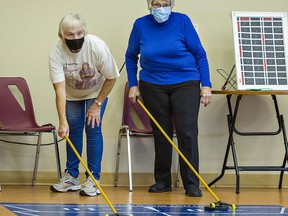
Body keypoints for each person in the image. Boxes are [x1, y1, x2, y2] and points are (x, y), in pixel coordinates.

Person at [125, 0, 212, 197]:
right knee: (161, 133)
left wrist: (206, 85)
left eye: (165, 3)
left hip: (186, 82)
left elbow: (200, 54)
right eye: (157, 3)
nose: (161, 7)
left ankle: (191, 183)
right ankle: (162, 181)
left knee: (187, 133)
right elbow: (131, 56)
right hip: (152, 84)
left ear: (171, 4)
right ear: (150, 5)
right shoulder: (140, 25)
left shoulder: (182, 21)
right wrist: (133, 84)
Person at [49, 13, 119, 196]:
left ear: (85, 32)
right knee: (72, 130)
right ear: (61, 35)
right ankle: (71, 177)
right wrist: (62, 121)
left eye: (80, 33)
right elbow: (60, 90)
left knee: (93, 129)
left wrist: (97, 104)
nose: (76, 38)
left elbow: (112, 77)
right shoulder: (56, 53)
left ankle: (93, 179)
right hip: (72, 95)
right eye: (70, 34)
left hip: (96, 92)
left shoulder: (96, 46)